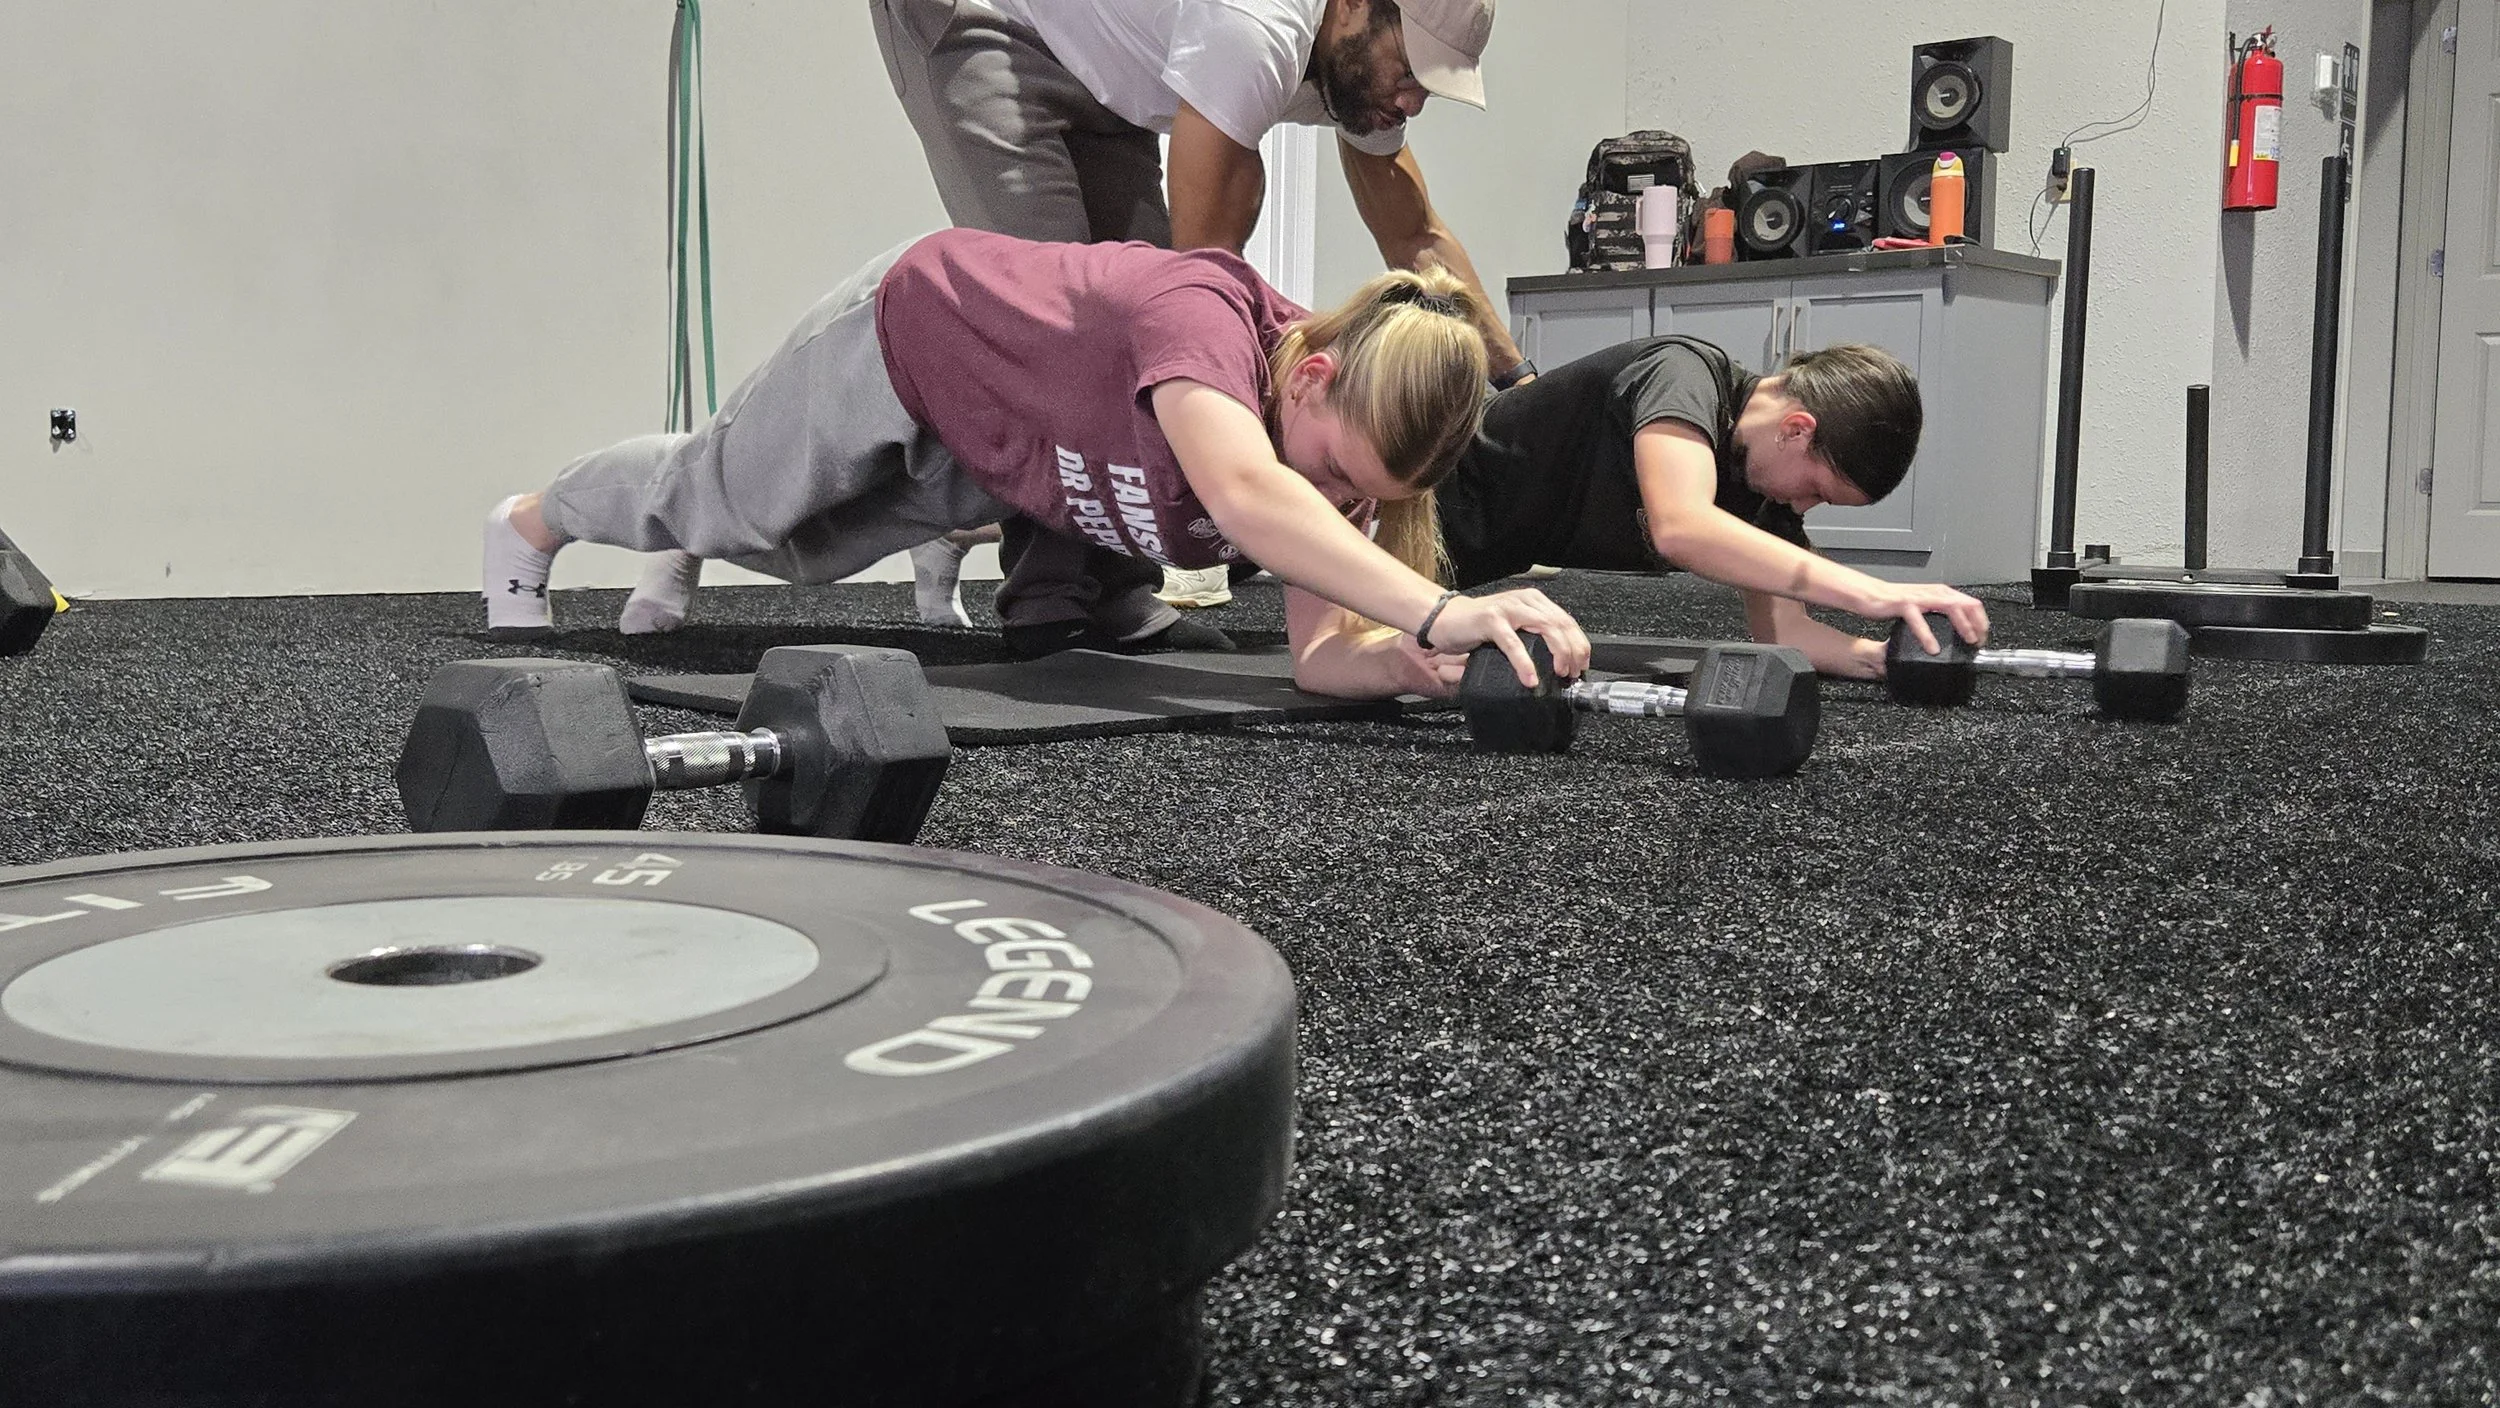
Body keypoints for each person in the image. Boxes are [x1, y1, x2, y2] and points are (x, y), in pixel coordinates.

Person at [480, 228, 1588, 692]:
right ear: (1309, 378)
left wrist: (1402, 662)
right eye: (1342, 476)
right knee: (720, 498)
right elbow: (1247, 497)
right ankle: (535, 521)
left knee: (802, 557)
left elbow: (1316, 658)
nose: (1340, 508)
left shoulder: (1324, 448)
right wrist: (1442, 611)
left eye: (1364, 499)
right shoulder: (1203, 317)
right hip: (913, 334)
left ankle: (689, 535)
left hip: (1000, 442)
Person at [851, 0, 1537, 654]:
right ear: (1355, 6)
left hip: (1105, 74)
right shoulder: (1254, 27)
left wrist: (1516, 379)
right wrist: (1241, 496)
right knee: (1068, 327)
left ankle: (1113, 588)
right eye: (1411, 71)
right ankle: (1048, 599)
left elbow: (1413, 234)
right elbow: (1199, 289)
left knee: (1133, 286)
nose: (1414, 101)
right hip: (988, 24)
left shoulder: (1359, 72)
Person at [1285, 335, 1994, 699]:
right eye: (1818, 491)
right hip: (1383, 498)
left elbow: (1787, 632)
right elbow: (1679, 526)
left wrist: (1880, 655)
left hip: (1442, 569)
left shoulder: (1764, 491)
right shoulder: (1683, 374)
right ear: (1798, 427)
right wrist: (1874, 593)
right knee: (1231, 537)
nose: (1802, 509)